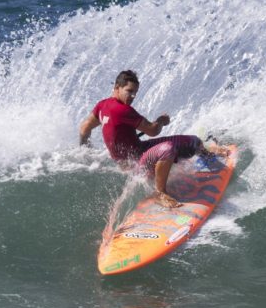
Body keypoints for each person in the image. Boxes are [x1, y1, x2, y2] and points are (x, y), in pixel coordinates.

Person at [79, 70, 225, 208]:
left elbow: (84, 128)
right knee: (167, 149)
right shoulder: (122, 110)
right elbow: (153, 130)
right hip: (137, 165)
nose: (133, 96)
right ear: (117, 87)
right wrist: (161, 120)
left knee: (194, 141)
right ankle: (160, 193)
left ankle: (207, 155)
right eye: (129, 91)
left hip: (140, 150)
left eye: (135, 92)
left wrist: (85, 151)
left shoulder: (102, 105)